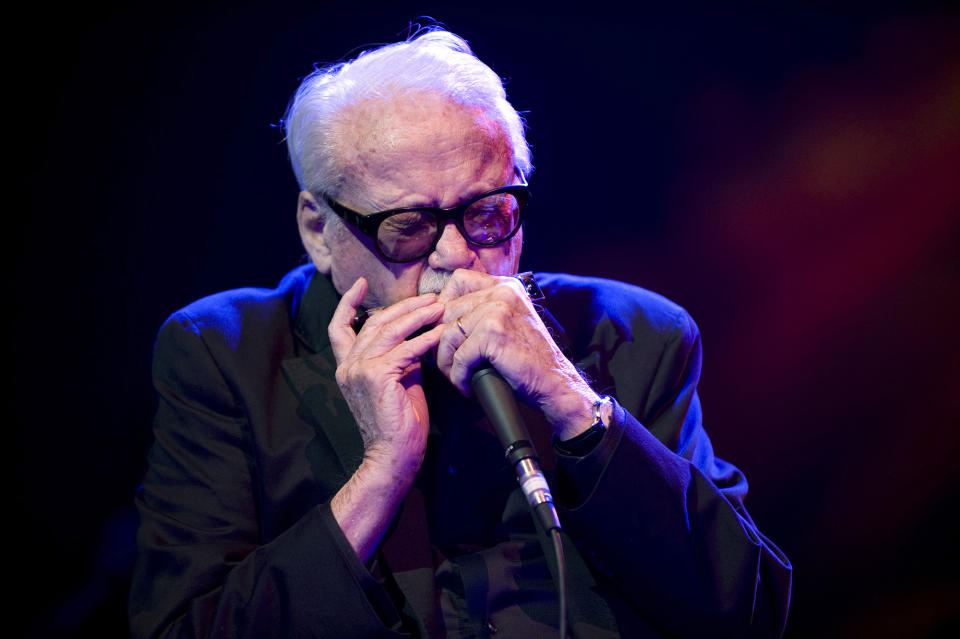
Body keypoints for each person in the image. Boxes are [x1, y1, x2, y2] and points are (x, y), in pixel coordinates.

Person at [130, 27, 792, 638]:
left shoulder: (635, 334)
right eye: (410, 225)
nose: (455, 256)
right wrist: (381, 473)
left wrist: (572, 405)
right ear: (318, 229)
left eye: (487, 212)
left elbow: (750, 612)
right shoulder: (226, 354)